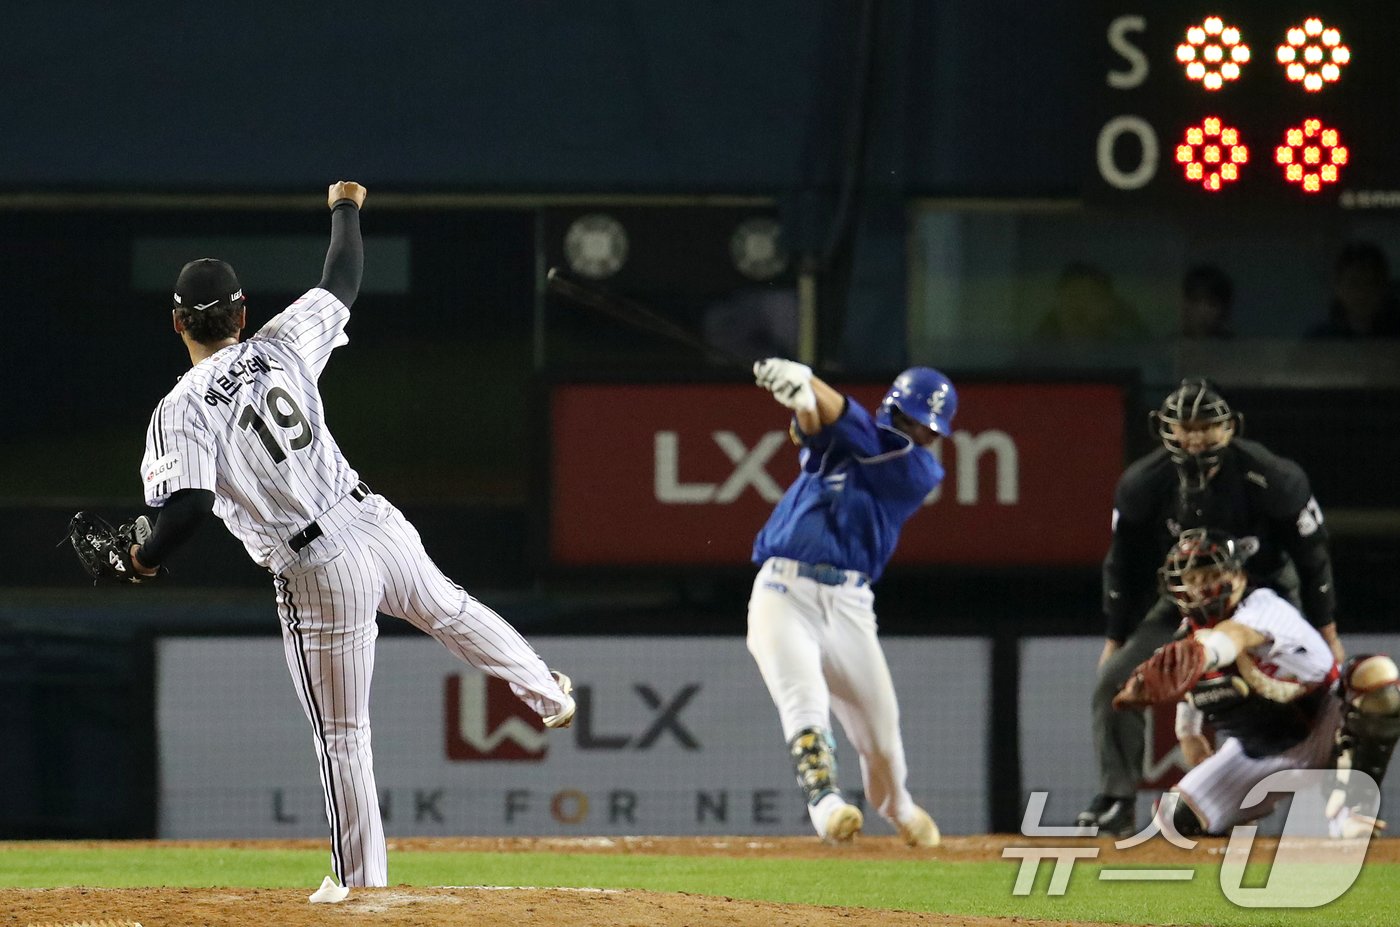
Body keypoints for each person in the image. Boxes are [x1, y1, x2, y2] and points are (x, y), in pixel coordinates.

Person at [127, 182, 574, 893]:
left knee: (343, 734)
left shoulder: (180, 408)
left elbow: (185, 509)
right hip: (373, 519)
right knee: (450, 609)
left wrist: (142, 558)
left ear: (176, 321)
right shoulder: (280, 344)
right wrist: (345, 208)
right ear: (242, 313)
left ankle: (360, 887)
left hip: (316, 564)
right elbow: (342, 278)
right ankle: (546, 690)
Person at [1077, 378, 1343, 837]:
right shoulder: (1143, 483)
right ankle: (1116, 800)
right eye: (1185, 427)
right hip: (1187, 602)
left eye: (1205, 426)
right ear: (1164, 429)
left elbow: (1311, 555)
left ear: (1230, 427)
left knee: (1313, 689)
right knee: (1113, 681)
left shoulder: (1273, 477)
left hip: (1262, 596)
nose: (1195, 437)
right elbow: (1122, 564)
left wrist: (1326, 629)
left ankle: (1333, 799)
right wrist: (1116, 639)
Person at [745, 358, 953, 846]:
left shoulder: (918, 469)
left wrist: (806, 379)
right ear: (892, 410)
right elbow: (815, 426)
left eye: (926, 428)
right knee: (804, 701)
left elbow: (845, 421)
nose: (917, 433)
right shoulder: (844, 442)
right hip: (784, 591)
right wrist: (803, 398)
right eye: (910, 420)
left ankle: (898, 805)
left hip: (850, 606)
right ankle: (826, 804)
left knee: (882, 737)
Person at [1114, 528, 1399, 838]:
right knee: (1174, 820)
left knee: (1375, 674)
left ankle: (1353, 809)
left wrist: (1205, 652)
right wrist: (1188, 733)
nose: (1200, 587)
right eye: (1192, 578)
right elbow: (1191, 684)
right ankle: (1242, 823)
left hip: (1327, 721)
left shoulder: (1262, 606)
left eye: (1210, 574)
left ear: (1238, 575)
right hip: (1262, 751)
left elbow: (1235, 636)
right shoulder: (1189, 637)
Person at [1035, 262, 1149, 341]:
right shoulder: (1038, 352)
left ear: (1108, 306)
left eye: (1090, 298)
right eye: (1072, 296)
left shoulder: (1126, 351)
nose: (1078, 306)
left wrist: (1133, 323)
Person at [1307, 241, 1400, 338]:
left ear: (1383, 288)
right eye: (1353, 284)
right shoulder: (1319, 339)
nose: (1362, 293)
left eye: (1370, 284)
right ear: (1338, 287)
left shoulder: (1395, 335)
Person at [1179, 264, 1234, 339]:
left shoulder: (1237, 345)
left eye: (1212, 304)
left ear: (1223, 309)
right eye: (1195, 301)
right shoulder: (1171, 345)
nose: (1203, 311)